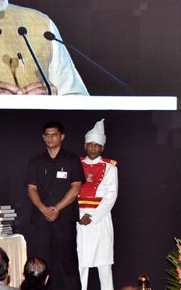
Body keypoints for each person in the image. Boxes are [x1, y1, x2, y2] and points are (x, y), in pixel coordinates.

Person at [26, 121, 84, 289]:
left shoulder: (72, 160)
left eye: (54, 135)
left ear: (62, 137)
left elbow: (76, 188)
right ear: (43, 138)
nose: (51, 138)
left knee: (67, 259)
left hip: (64, 217)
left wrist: (56, 209)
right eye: (47, 135)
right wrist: (44, 209)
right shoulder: (36, 161)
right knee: (40, 261)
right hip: (41, 218)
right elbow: (31, 189)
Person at [76, 119, 118, 290]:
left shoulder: (110, 167)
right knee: (81, 260)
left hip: (100, 218)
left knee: (104, 262)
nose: (93, 148)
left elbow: (111, 195)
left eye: (96, 145)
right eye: (90, 144)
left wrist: (93, 216)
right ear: (85, 146)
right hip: (78, 217)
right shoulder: (75, 163)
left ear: (102, 148)